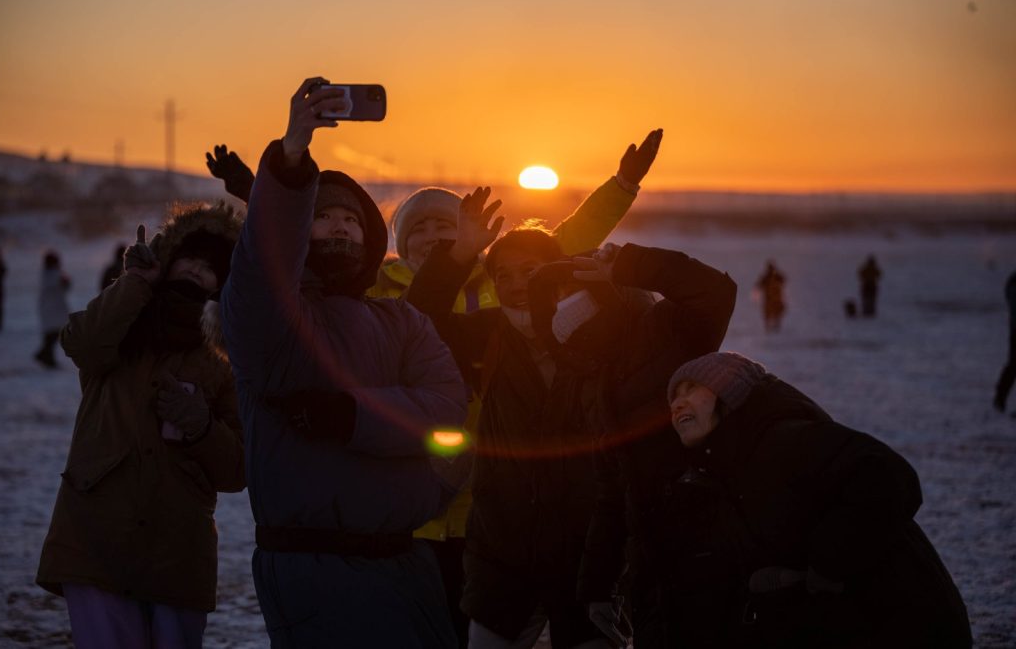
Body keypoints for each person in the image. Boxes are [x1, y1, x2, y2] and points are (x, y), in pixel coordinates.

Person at [208, 128, 663, 647]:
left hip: (486, 493)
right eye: (419, 227)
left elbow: (564, 242)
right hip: (414, 508)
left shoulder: (500, 290)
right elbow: (301, 258)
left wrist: (622, 186)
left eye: (444, 226)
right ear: (399, 242)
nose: (433, 237)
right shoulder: (377, 296)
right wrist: (262, 191)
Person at [406, 184, 736, 648]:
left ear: (562, 275)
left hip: (594, 564)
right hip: (502, 562)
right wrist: (460, 252)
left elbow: (714, 296)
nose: (516, 284)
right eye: (504, 274)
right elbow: (416, 321)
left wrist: (628, 264)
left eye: (530, 271)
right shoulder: (489, 338)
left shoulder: (609, 339)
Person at [219, 77, 469, 648]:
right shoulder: (272, 322)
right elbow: (265, 258)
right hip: (313, 570)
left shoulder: (402, 321)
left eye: (353, 220)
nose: (341, 226)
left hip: (409, 563)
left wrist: (350, 418)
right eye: (325, 216)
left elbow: (446, 410)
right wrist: (290, 158)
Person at [36, 202, 246, 649]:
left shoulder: (229, 361)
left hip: (178, 554)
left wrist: (201, 428)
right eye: (188, 257)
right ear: (168, 260)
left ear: (226, 283)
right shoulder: (121, 330)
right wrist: (133, 284)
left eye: (211, 267)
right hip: (96, 541)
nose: (196, 270)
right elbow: (80, 342)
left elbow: (237, 472)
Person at [656, 351, 971, 647]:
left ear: (730, 393)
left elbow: (889, 476)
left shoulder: (784, 439)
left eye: (691, 390)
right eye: (674, 398)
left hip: (905, 621)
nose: (678, 404)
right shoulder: (724, 472)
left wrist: (826, 564)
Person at [34, 250, 71, 368]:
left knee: (51, 334)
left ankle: (46, 356)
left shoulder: (47, 274)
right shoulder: (53, 274)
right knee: (54, 333)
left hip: (51, 308)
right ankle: (44, 355)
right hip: (53, 309)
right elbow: (66, 283)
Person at [993, 270, 1016, 413]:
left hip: (1014, 330)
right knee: (1013, 366)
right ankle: (999, 400)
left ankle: (1000, 399)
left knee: (1012, 366)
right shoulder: (1014, 283)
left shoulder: (1012, 282)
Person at [755, 259, 785, 333]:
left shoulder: (776, 276)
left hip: (775, 300)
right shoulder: (767, 277)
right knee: (769, 317)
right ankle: (769, 329)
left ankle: (774, 329)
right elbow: (758, 285)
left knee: (775, 316)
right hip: (769, 300)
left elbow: (783, 280)